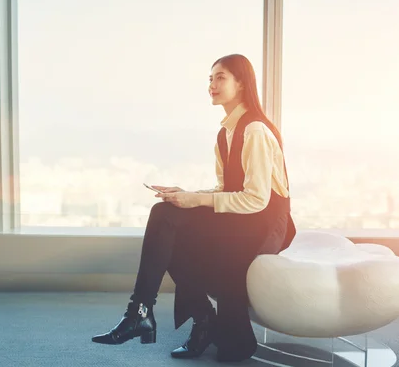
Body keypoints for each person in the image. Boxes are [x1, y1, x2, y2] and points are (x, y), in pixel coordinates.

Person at [91, 54, 296, 362]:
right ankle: (150, 312)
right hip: (242, 218)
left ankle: (160, 315)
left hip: (266, 224)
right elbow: (225, 191)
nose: (212, 85)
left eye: (220, 78)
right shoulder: (224, 133)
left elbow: (256, 199)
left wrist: (195, 201)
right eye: (210, 79)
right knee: (166, 217)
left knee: (171, 226)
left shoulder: (254, 130)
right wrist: (185, 195)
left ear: (242, 84)